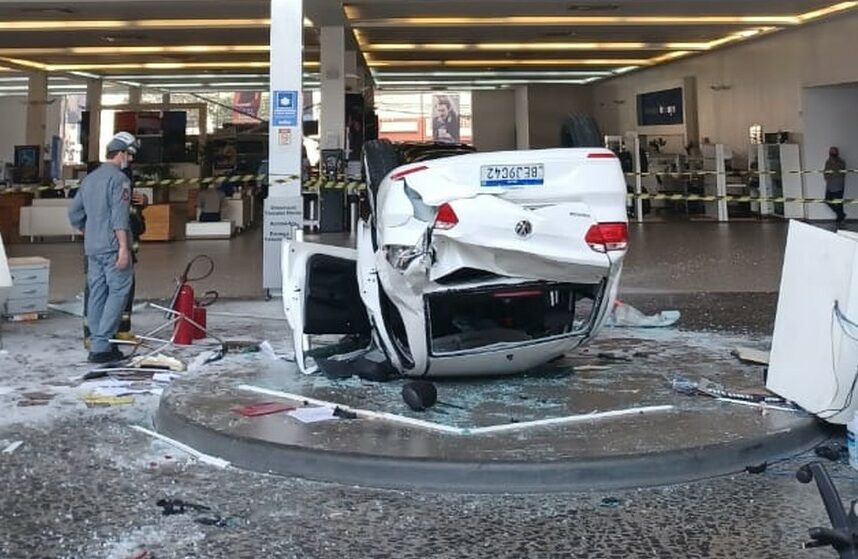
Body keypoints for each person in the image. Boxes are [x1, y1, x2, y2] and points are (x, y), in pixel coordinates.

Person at [68, 132, 138, 363]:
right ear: (121, 154)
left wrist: (87, 230)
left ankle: (99, 345)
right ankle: (101, 345)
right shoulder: (119, 180)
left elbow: (74, 212)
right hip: (111, 246)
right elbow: (120, 218)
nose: (131, 159)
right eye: (130, 155)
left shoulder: (89, 179)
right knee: (118, 292)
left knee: (97, 293)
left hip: (92, 247)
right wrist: (123, 249)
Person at [825, 146, 847, 224]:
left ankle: (840, 218)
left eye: (833, 152)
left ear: (837, 153)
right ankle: (841, 215)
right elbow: (826, 173)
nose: (831, 153)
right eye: (830, 151)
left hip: (838, 187)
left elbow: (841, 174)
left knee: (839, 203)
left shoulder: (841, 162)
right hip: (829, 186)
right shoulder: (828, 162)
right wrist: (827, 177)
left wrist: (831, 174)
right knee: (828, 201)